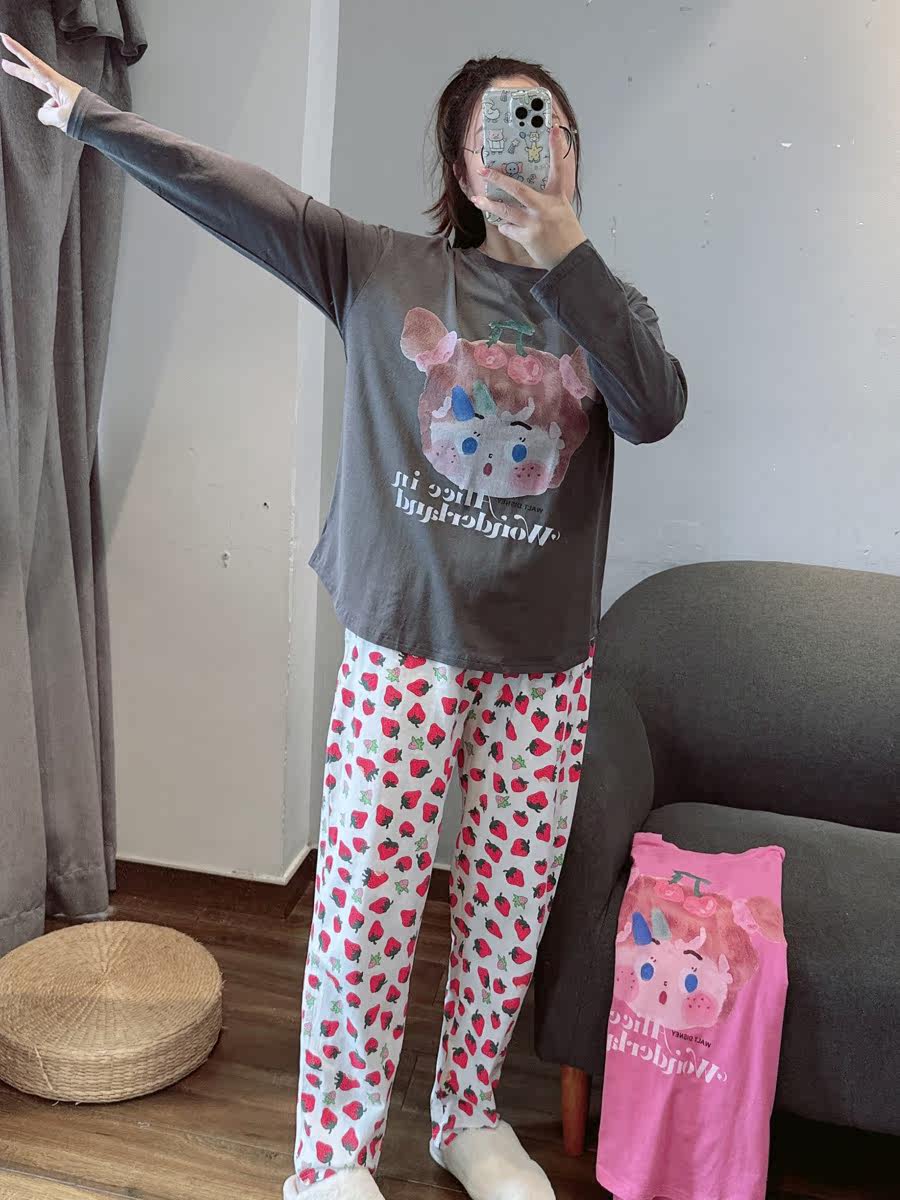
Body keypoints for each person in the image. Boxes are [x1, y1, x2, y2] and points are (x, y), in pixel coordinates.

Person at [1, 33, 687, 1200]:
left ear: (575, 154)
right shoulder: (376, 267)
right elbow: (237, 195)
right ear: (460, 163)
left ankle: (467, 1117)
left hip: (543, 669)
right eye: (504, 127)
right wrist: (87, 117)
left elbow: (656, 409)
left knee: (507, 911)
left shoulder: (604, 304)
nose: (532, 145)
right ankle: (331, 1157)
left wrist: (566, 249)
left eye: (551, 126)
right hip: (403, 651)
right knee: (367, 907)